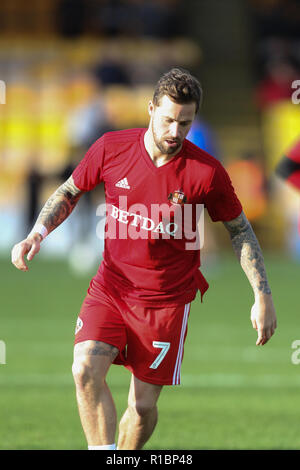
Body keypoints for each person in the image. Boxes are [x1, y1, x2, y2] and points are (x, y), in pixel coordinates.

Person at [11, 68, 277, 450]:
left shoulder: (207, 173)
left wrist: (262, 295)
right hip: (112, 287)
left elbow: (240, 230)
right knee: (85, 368)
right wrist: (37, 233)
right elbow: (71, 191)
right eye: (168, 119)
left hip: (166, 303)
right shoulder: (110, 147)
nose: (175, 131)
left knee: (142, 405)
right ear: (151, 108)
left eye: (185, 123)